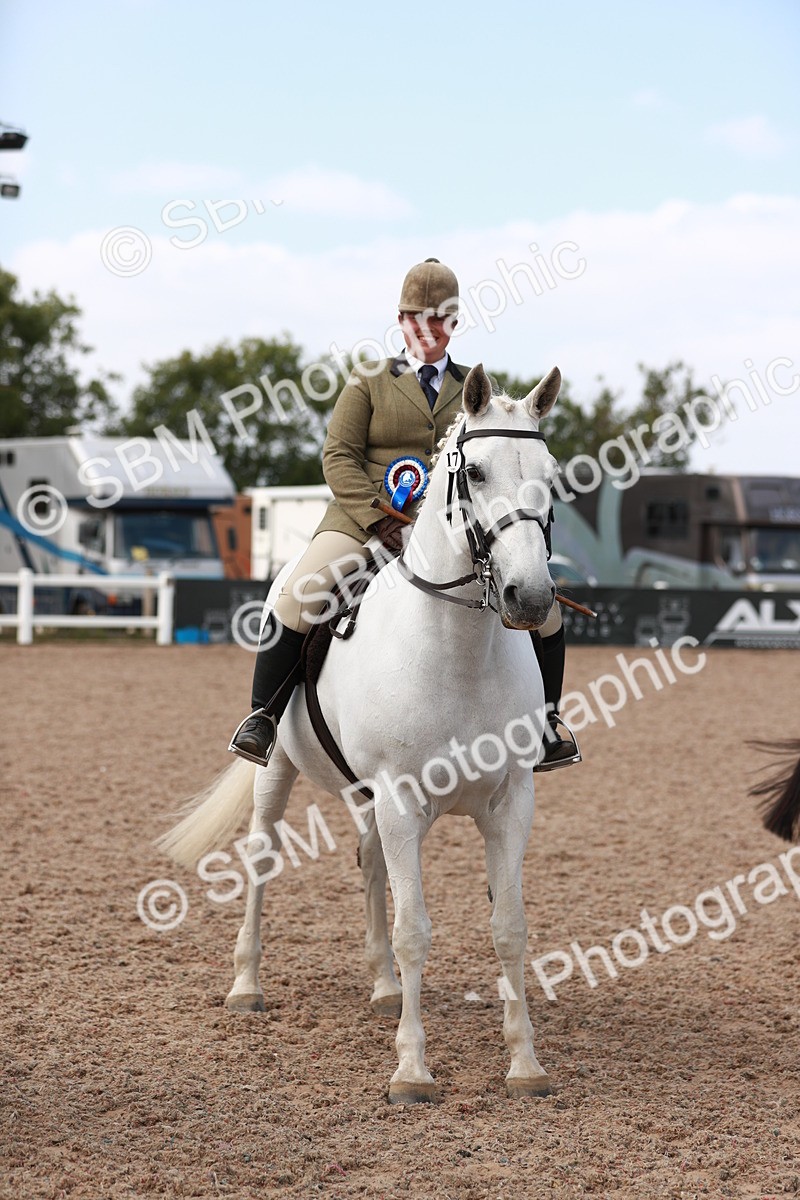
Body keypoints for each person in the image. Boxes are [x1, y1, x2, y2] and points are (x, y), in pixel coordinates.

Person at [228, 257, 578, 771]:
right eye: (418, 317)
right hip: (362, 520)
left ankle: (546, 725)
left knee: (545, 611)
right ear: (401, 320)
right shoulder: (369, 380)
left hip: (449, 529)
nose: (428, 329)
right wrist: (379, 517)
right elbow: (338, 456)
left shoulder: (476, 387)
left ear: (454, 324)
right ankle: (263, 718)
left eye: (440, 318)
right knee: (298, 593)